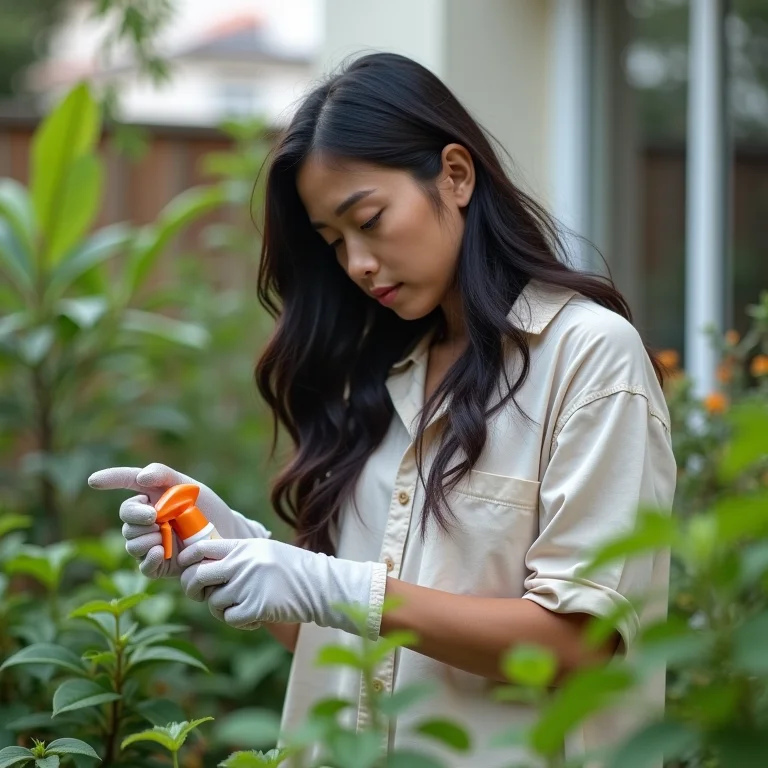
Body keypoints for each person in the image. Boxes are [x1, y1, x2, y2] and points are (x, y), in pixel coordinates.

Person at [88, 52, 676, 767]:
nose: (357, 263)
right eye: (333, 242)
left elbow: (576, 644)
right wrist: (236, 549)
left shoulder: (587, 357)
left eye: (367, 219)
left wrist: (334, 585)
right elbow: (339, 636)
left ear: (455, 175)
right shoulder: (378, 374)